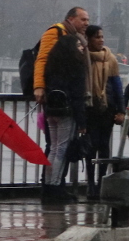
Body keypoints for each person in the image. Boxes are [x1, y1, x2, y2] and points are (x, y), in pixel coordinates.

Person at [41, 25, 89, 200]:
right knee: (61, 149)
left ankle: (47, 185)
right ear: (71, 49)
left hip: (50, 111)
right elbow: (78, 96)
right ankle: (55, 188)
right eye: (78, 45)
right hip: (67, 113)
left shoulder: (52, 65)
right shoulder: (76, 66)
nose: (81, 48)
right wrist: (82, 122)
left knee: (53, 148)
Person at [84, 25, 123, 200]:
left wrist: (121, 110)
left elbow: (117, 86)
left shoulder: (110, 59)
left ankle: (101, 183)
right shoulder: (83, 58)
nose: (101, 40)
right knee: (90, 148)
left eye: (102, 37)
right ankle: (90, 185)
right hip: (89, 108)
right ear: (89, 39)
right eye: (97, 37)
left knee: (104, 147)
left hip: (107, 108)